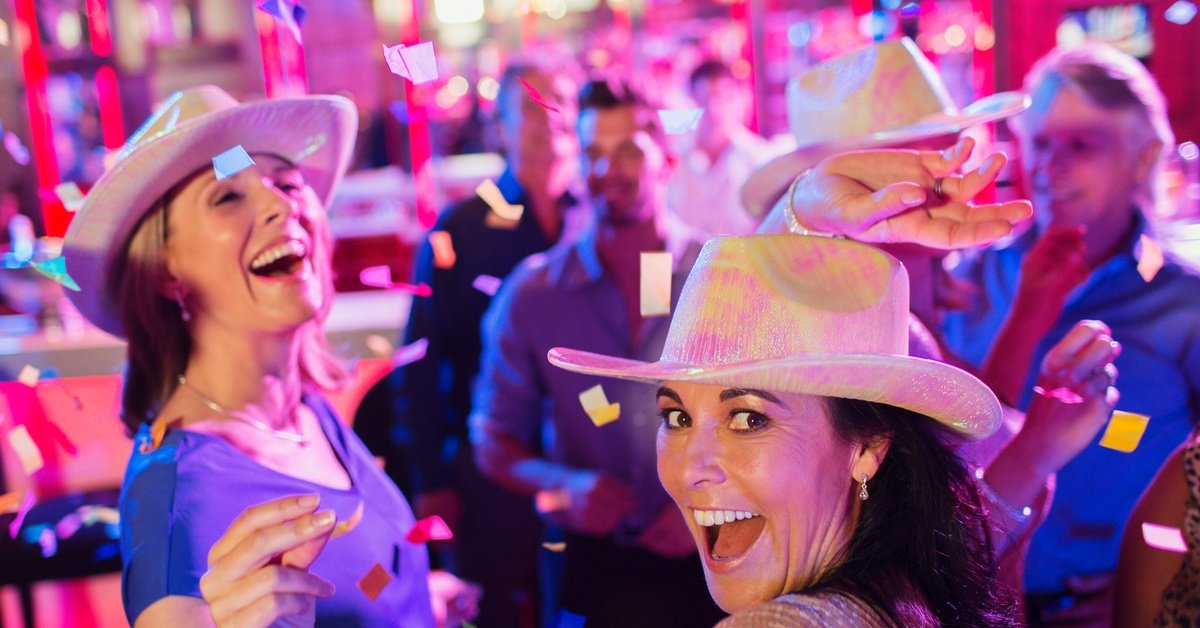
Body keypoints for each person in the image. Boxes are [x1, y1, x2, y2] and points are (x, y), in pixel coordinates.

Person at [61, 86, 477, 626]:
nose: (282, 205)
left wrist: (414, 597)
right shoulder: (176, 499)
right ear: (166, 271)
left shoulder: (303, 410)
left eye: (287, 182)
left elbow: (353, 579)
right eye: (227, 196)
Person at [543, 226, 1021, 625]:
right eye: (678, 417)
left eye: (748, 419)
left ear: (868, 448)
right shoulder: (901, 593)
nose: (691, 468)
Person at [939, 43, 1200, 622]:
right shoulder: (969, 278)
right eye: (1040, 144)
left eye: (1082, 146)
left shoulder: (1187, 302)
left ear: (1142, 158)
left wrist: (1147, 587)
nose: (1051, 165)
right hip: (970, 602)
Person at [468, 77, 725, 626]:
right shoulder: (535, 295)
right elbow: (492, 436)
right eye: (593, 154)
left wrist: (711, 511)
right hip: (588, 569)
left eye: (628, 149)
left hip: (715, 559)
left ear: (667, 161)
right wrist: (563, 487)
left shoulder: (720, 278)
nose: (608, 170)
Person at [380, 60, 582, 627]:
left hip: (583, 470)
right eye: (532, 108)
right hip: (487, 470)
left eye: (560, 101)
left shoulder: (595, 219)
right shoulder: (459, 230)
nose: (551, 119)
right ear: (501, 129)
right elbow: (417, 366)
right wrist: (432, 482)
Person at [664, 59, 777, 237]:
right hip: (684, 264)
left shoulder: (760, 159)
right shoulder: (672, 159)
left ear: (740, 99)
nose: (714, 109)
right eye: (704, 99)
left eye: (723, 98)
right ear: (692, 102)